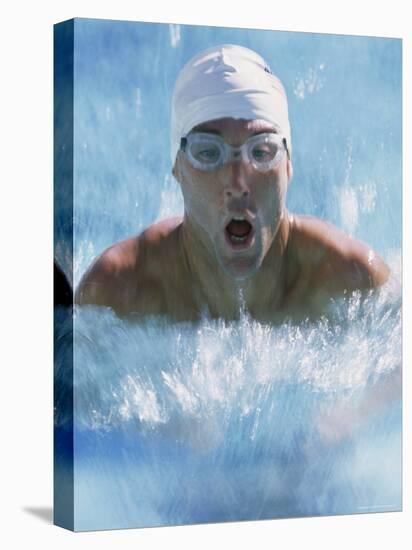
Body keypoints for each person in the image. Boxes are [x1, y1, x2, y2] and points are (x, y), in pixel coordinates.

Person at [75, 44, 389, 323]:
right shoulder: (116, 291)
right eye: (209, 153)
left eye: (262, 151)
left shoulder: (354, 282)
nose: (238, 182)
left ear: (289, 165)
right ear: (177, 169)